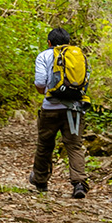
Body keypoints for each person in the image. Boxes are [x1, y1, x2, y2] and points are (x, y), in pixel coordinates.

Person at [28, 27, 89, 199]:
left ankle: (40, 180)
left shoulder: (44, 56)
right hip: (75, 109)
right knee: (75, 145)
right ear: (68, 42)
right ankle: (79, 183)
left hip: (50, 108)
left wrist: (48, 90)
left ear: (49, 43)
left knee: (45, 144)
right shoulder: (79, 55)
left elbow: (40, 83)